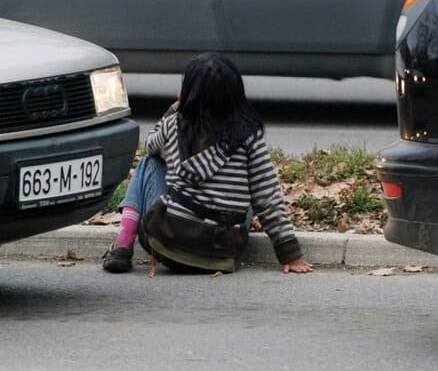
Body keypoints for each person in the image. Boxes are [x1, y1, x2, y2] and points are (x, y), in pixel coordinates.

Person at [103, 52, 313, 275]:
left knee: (149, 162)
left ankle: (123, 243)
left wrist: (176, 108)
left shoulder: (173, 124)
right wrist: (290, 253)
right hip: (223, 251)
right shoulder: (249, 134)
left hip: (168, 243)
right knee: (252, 188)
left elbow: (151, 145)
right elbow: (267, 197)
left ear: (188, 93)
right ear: (237, 93)